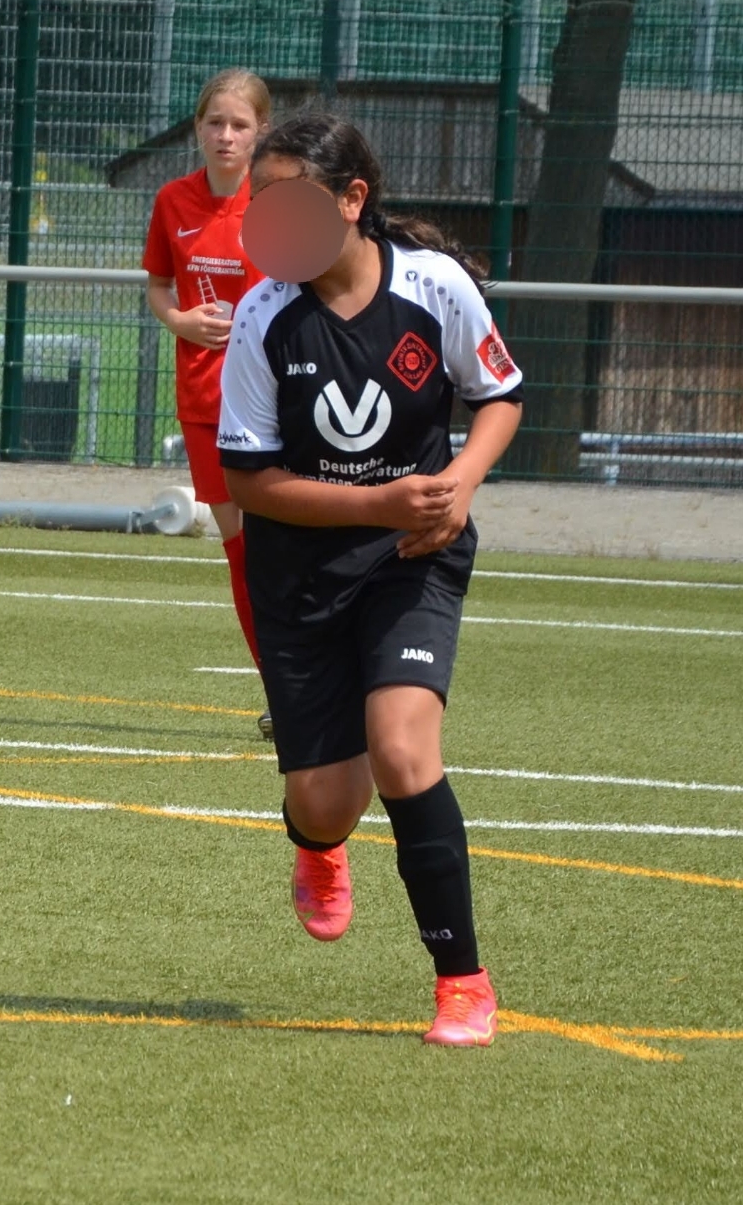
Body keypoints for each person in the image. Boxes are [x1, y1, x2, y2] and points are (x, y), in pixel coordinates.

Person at [217, 111, 523, 1048]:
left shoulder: (435, 287)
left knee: (401, 748)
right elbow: (249, 481)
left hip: (411, 560)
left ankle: (463, 983)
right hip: (302, 572)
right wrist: (378, 500)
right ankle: (317, 846)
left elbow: (500, 395)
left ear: (351, 200)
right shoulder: (263, 317)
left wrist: (457, 486)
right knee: (326, 803)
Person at [143, 69, 271, 737]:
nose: (225, 135)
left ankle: (320, 683)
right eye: (215, 122)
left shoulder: (278, 203)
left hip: (273, 400)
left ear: (260, 132)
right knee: (242, 551)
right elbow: (159, 286)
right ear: (197, 128)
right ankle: (282, 691)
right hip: (203, 401)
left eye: (239, 124)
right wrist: (180, 321)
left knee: (284, 547)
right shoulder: (173, 201)